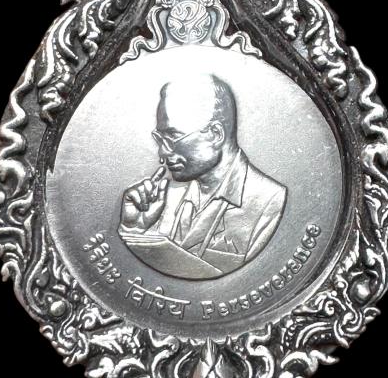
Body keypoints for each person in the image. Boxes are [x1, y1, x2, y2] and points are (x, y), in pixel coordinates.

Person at [119, 74, 287, 278]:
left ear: (215, 135)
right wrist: (134, 231)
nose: (162, 153)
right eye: (160, 138)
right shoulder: (162, 199)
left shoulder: (269, 203)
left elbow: (249, 282)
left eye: (172, 136)